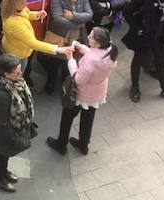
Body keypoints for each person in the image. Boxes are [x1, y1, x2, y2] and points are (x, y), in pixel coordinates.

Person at [46, 26, 118, 156]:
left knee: (67, 117)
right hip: (97, 92)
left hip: (82, 93)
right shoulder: (110, 51)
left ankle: (61, 144)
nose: (88, 36)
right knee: (88, 118)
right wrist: (81, 47)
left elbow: (78, 79)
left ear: (97, 42)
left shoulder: (91, 61)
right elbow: (94, 53)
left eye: (91, 36)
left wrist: (70, 59)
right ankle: (83, 144)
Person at [0, 53, 36, 193]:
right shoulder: (1, 95)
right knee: (1, 152)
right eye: (16, 72)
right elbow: (1, 123)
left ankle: (3, 171)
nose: (20, 74)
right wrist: (14, 137)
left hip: (13, 127)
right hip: (6, 131)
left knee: (5, 153)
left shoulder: (12, 82)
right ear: (5, 74)